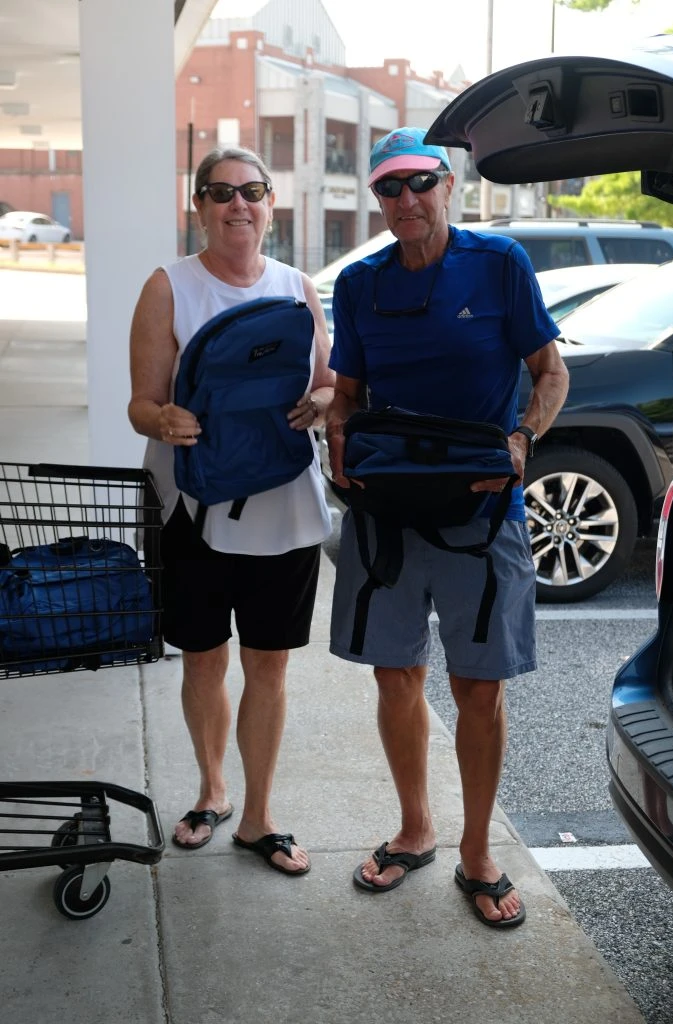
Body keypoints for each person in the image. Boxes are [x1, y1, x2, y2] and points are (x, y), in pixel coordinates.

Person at [326, 127, 569, 924]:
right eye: (389, 189)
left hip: (480, 508)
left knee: (478, 685)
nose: (406, 201)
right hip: (387, 509)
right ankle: (414, 829)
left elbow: (549, 370)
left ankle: (475, 851)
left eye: (419, 184)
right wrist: (336, 441)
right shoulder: (360, 284)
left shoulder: (498, 266)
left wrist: (521, 437)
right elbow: (349, 393)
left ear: (448, 186)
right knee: (394, 674)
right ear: (378, 201)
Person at [128, 146, 334, 874]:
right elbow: (140, 403)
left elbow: (326, 381)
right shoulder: (169, 288)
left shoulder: (295, 286)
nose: (236, 205)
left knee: (268, 664)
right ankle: (212, 789)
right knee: (205, 658)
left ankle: (258, 816)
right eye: (220, 193)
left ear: (270, 204)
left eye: (250, 191)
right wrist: (163, 421)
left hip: (282, 502)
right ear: (199, 206)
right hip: (196, 506)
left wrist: (326, 400)